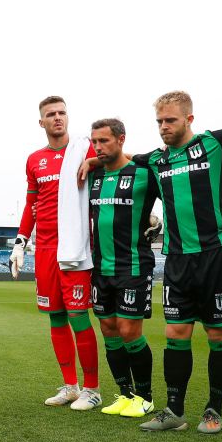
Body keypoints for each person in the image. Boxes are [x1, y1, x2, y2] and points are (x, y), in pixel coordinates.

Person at [122, 91, 222, 434]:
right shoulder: (156, 160)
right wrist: (91, 161)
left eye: (171, 120)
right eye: (159, 121)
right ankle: (174, 411)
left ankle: (214, 410)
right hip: (177, 260)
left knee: (218, 335)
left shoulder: (215, 143)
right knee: (175, 334)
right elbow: (123, 158)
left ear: (189, 119)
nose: (163, 126)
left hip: (215, 256)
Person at [8, 96, 100, 410]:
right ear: (42, 122)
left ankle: (92, 389)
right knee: (56, 317)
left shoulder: (84, 149)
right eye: (51, 114)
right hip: (45, 249)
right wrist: (20, 241)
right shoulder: (35, 159)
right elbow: (31, 204)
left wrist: (94, 162)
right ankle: (71, 386)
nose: (57, 117)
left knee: (78, 315)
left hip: (75, 247)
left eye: (62, 112)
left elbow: (116, 162)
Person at [86, 118, 160, 418]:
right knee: (109, 330)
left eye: (104, 140)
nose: (98, 147)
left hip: (133, 264)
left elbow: (176, 194)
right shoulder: (94, 176)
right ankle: (125, 394)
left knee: (129, 330)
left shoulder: (144, 173)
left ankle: (145, 397)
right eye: (94, 142)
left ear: (121, 139)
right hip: (100, 267)